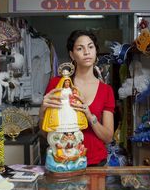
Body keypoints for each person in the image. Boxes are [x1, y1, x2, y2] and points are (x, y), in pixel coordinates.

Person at [39, 29, 115, 167]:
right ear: (72, 55)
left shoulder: (106, 90)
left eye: (90, 47)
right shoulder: (57, 84)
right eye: (80, 48)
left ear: (96, 51)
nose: (87, 52)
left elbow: (108, 137)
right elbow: (45, 133)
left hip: (96, 162)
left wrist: (89, 115)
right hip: (62, 161)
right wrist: (42, 112)